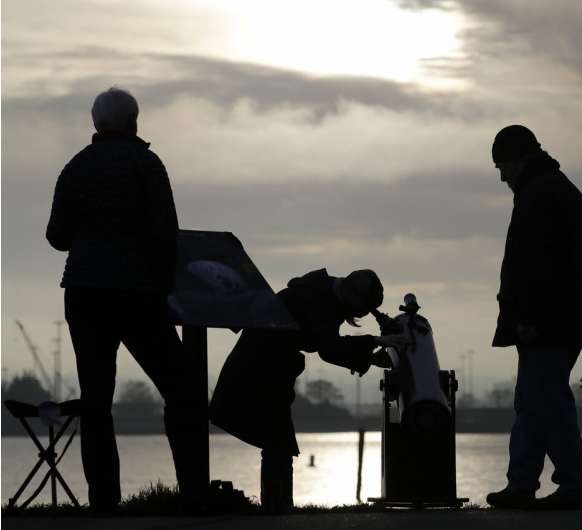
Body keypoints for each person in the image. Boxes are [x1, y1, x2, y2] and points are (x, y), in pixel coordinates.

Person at [46, 87, 208, 511]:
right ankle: (192, 494)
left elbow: (56, 237)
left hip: (83, 294)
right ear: (135, 121)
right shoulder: (147, 164)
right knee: (183, 389)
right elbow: (166, 233)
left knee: (96, 401)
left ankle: (104, 502)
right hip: (137, 295)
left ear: (95, 123)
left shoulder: (75, 167)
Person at [209, 268, 404, 513]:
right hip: (260, 370)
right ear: (349, 294)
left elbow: (327, 344)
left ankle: (277, 507)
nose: (355, 316)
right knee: (278, 442)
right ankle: (277, 509)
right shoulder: (321, 301)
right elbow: (329, 348)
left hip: (266, 368)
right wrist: (374, 342)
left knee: (277, 442)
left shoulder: (322, 293)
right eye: (359, 309)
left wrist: (369, 358)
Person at [486, 125, 582, 509]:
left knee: (544, 402)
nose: (501, 175)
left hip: (547, 322)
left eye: (502, 165)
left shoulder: (540, 196)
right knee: (535, 402)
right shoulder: (555, 190)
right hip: (563, 318)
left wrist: (528, 317)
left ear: (519, 160)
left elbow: (536, 267)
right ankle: (523, 483)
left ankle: (572, 483)